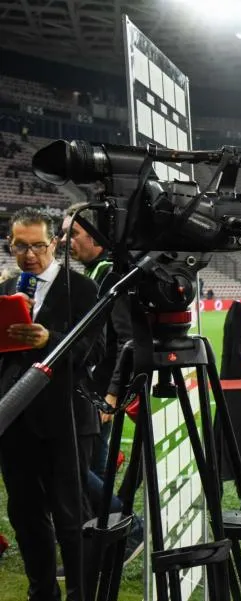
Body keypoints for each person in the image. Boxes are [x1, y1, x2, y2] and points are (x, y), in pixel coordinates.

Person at [0, 207, 101, 601]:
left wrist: (49, 339)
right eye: (20, 246)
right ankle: (41, 592)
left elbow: (92, 353)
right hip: (15, 419)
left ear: (54, 244)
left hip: (66, 420)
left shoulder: (84, 289)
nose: (29, 255)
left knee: (71, 515)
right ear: (10, 244)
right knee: (25, 517)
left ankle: (80, 594)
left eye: (38, 246)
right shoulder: (6, 291)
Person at [60, 203, 143, 568]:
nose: (64, 241)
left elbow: (125, 340)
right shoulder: (96, 272)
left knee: (77, 471)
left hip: (99, 395)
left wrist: (110, 395)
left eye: (72, 234)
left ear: (95, 238)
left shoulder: (108, 274)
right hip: (93, 391)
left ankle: (130, 531)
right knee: (94, 470)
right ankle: (104, 544)